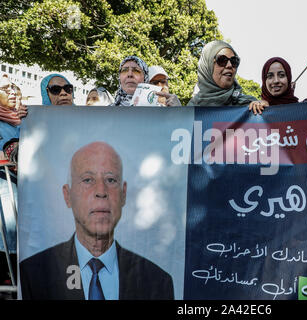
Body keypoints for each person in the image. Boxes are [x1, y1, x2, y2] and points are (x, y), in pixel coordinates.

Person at [19, 141, 174, 300]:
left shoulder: (157, 281)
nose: (101, 191)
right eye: (88, 180)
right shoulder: (32, 274)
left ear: (124, 194)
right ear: (67, 196)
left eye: (111, 180)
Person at [187, 40, 257, 106]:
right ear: (207, 66)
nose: (229, 65)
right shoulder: (191, 110)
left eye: (234, 61)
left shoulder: (250, 106)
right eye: (222, 60)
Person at [0, 74, 20, 295]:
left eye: (14, 87)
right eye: (6, 89)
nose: (13, 91)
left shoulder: (25, 119)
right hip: (5, 209)